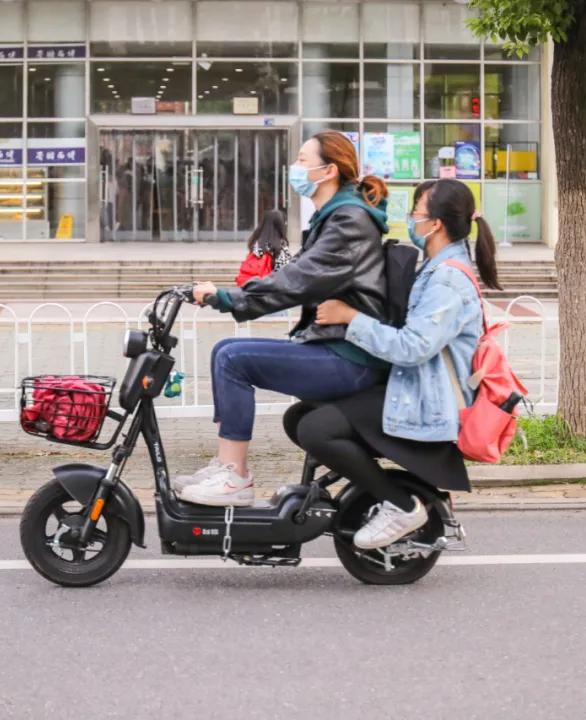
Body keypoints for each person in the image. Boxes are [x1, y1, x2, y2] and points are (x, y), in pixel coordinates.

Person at [176, 131, 391, 507]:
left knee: (233, 358)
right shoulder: (335, 216)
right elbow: (296, 277)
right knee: (227, 350)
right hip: (336, 346)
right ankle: (227, 463)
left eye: (302, 160)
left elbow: (297, 282)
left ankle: (235, 477)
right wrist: (235, 293)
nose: (295, 167)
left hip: (350, 356)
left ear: (327, 171)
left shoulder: (348, 220)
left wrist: (227, 297)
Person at [286, 179, 499, 549]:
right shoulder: (436, 267)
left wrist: (351, 317)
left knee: (317, 430)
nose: (410, 218)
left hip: (428, 403)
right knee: (299, 417)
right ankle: (366, 490)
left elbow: (412, 347)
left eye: (415, 211)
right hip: (410, 388)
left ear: (435, 224)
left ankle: (401, 505)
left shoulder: (448, 279)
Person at [235, 209, 292, 286]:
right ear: (281, 226)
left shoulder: (256, 245)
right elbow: (285, 277)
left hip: (251, 290)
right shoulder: (280, 249)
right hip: (269, 293)